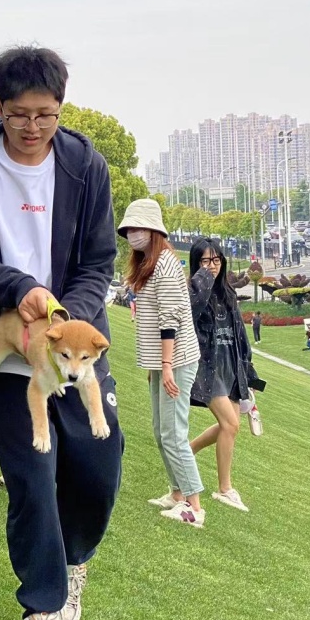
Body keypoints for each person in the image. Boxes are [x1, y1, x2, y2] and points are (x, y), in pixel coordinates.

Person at [0, 45, 124, 620]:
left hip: (70, 343)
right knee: (33, 476)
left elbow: (99, 261)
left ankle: (74, 566)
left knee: (99, 466)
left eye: (46, 115)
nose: (33, 127)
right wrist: (19, 291)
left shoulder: (85, 164)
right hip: (2, 343)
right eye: (19, 114)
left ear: (61, 110)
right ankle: (42, 611)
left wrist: (65, 319)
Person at [118, 199, 204, 527]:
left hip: (177, 360)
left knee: (173, 433)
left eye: (139, 228)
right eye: (129, 229)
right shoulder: (148, 264)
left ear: (154, 231)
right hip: (163, 362)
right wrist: (157, 366)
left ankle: (194, 507)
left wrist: (166, 364)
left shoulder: (165, 264)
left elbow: (171, 319)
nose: (133, 234)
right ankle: (177, 493)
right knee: (160, 430)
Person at [188, 237, 266, 513]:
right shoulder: (194, 290)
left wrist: (249, 374)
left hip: (230, 368)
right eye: (205, 260)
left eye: (216, 259)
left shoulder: (228, 294)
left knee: (230, 427)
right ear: (196, 262)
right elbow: (190, 313)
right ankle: (225, 489)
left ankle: (188, 451)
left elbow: (240, 337)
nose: (212, 265)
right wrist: (203, 280)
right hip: (206, 369)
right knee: (230, 424)